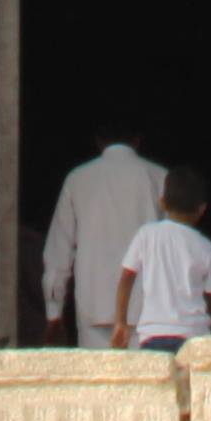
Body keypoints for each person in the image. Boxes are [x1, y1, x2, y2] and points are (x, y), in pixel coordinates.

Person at [35, 129, 166, 347]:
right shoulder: (159, 177)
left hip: (93, 308)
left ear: (98, 141)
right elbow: (175, 242)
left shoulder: (77, 179)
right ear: (137, 140)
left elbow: (59, 251)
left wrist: (54, 313)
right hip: (148, 311)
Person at [110, 166, 211, 348]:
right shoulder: (208, 249)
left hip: (153, 334)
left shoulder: (146, 235)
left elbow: (127, 278)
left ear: (162, 203)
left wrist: (121, 322)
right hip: (193, 336)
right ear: (202, 208)